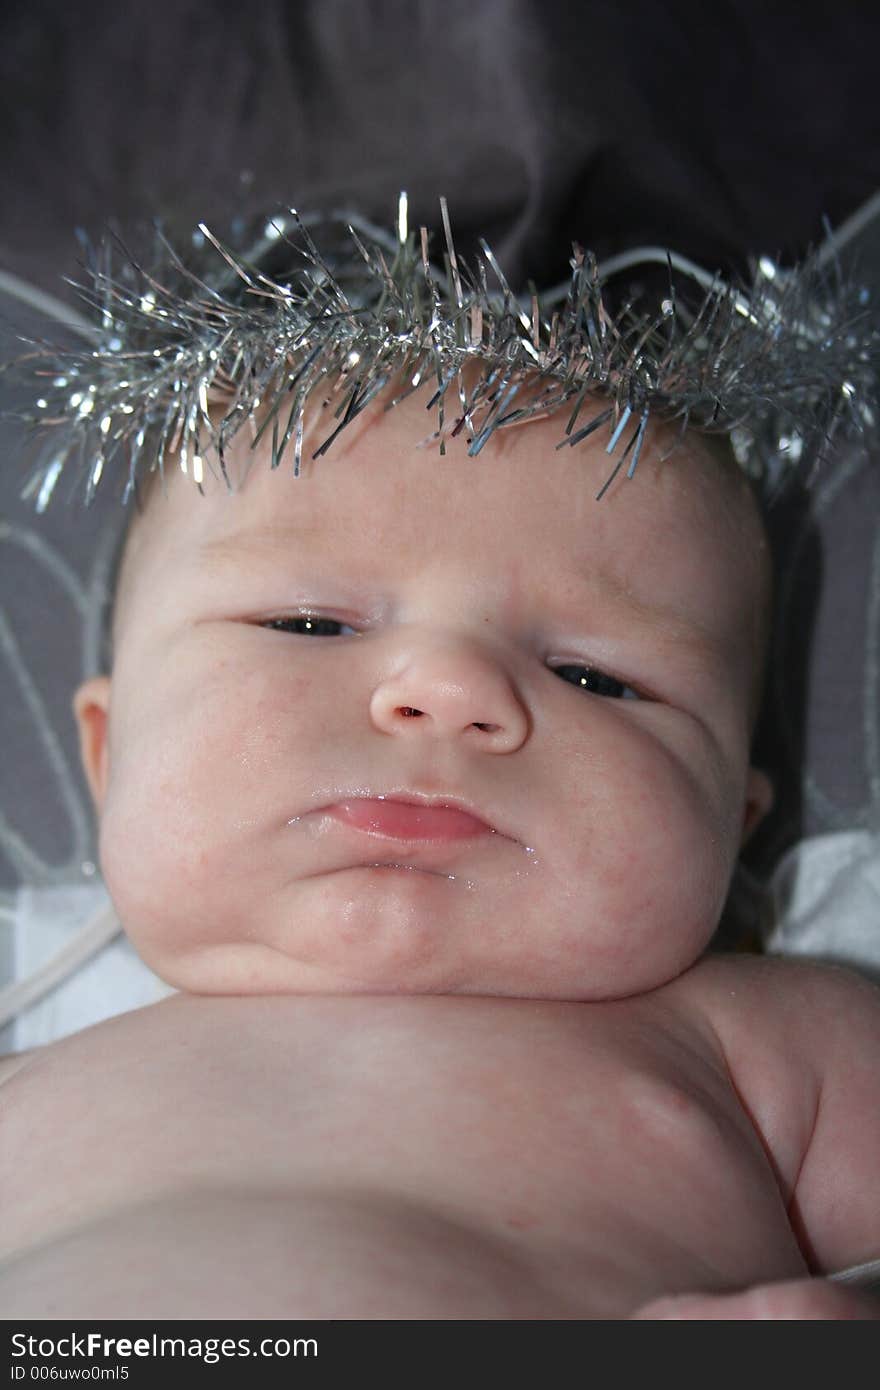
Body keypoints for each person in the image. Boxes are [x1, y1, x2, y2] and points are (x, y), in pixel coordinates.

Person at [1, 208, 878, 1318]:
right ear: (106, 748)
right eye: (308, 623)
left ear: (732, 819)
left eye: (597, 678)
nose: (448, 691)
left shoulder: (768, 1046)